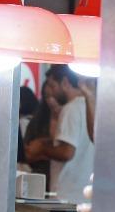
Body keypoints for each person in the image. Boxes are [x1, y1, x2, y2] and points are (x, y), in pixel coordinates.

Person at [25, 64, 93, 204]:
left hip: (66, 196)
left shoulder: (71, 108)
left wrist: (41, 148)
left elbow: (66, 152)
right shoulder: (90, 107)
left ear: (65, 83)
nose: (50, 91)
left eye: (52, 85)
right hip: (83, 195)